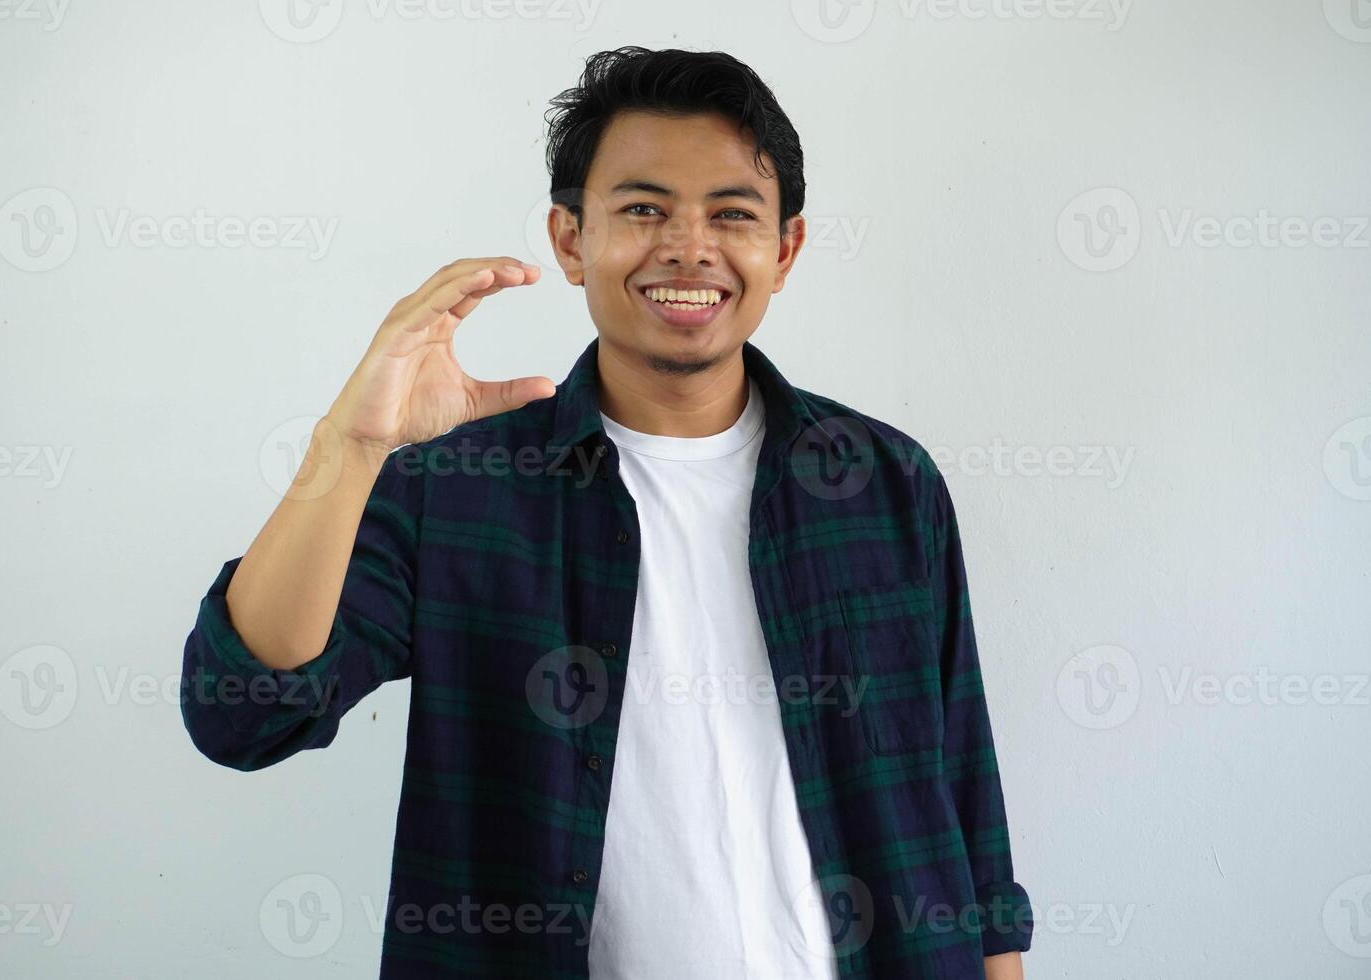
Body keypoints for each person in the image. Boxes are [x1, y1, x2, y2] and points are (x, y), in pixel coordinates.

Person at [179, 45, 1032, 980]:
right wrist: (348, 449)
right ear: (571, 239)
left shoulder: (882, 481)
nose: (688, 247)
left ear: (782, 251)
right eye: (642, 209)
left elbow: (965, 804)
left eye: (732, 214)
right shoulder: (458, 489)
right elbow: (245, 714)